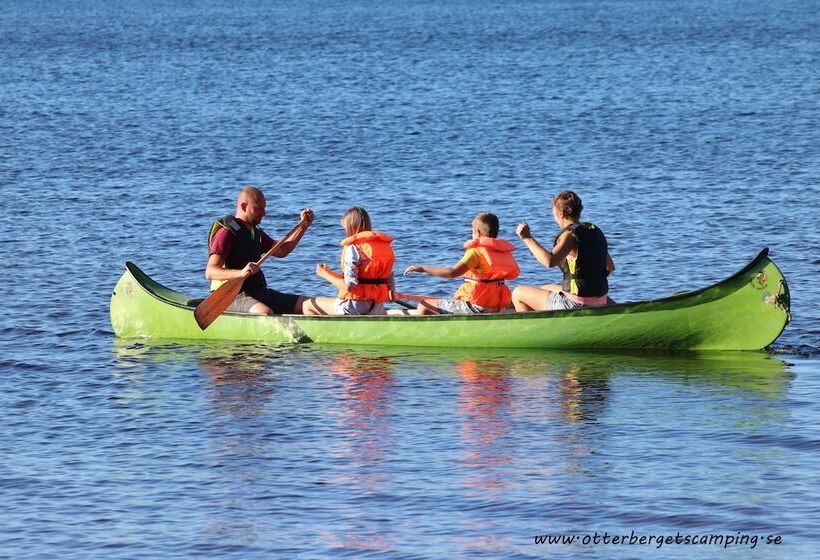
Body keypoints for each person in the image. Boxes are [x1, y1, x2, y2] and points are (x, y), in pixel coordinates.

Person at [206, 186, 315, 315]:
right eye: (259, 208)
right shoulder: (226, 233)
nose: (264, 213)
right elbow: (210, 272)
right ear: (244, 206)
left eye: (264, 208)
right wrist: (241, 273)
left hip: (258, 292)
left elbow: (282, 250)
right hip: (228, 295)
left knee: (307, 304)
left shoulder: (254, 232)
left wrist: (303, 226)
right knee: (265, 312)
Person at [512, 190, 615, 312]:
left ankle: (531, 328)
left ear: (561, 214)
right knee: (545, 287)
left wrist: (527, 238)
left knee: (518, 293)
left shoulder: (570, 235)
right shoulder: (593, 231)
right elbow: (610, 267)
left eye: (554, 214)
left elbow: (549, 261)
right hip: (600, 299)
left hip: (575, 304)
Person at [404, 212, 519, 315]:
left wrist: (423, 268)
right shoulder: (502, 252)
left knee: (424, 304)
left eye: (472, 231)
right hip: (498, 307)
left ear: (477, 232)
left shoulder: (476, 252)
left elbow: (452, 273)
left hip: (477, 306)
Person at [303, 207, 396, 315]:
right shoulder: (383, 247)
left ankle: (327, 332)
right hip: (377, 307)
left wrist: (324, 274)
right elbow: (390, 286)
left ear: (350, 227)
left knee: (308, 305)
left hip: (353, 307)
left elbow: (349, 286)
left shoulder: (353, 247)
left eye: (345, 228)